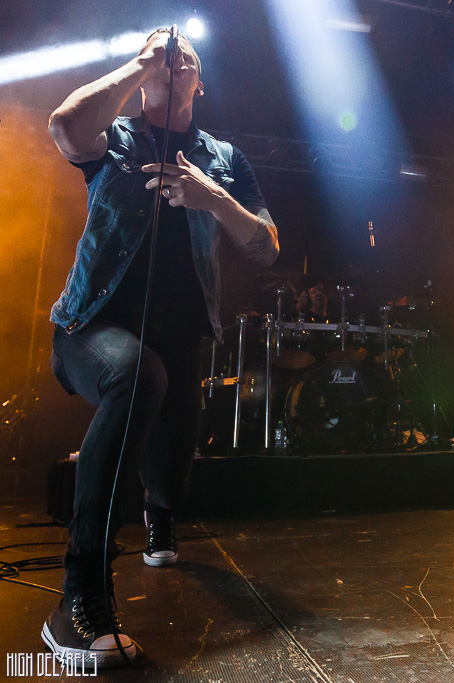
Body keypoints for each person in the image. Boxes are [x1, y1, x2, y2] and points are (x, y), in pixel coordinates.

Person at [44, 29, 279, 666]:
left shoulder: (223, 158)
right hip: (89, 328)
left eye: (183, 58)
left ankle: (159, 511)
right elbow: (65, 127)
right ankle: (79, 600)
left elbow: (265, 247)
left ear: (201, 81)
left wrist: (213, 197)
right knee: (137, 376)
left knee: (172, 472)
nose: (173, 59)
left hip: (181, 344)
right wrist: (144, 61)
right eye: (160, 55)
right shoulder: (114, 137)